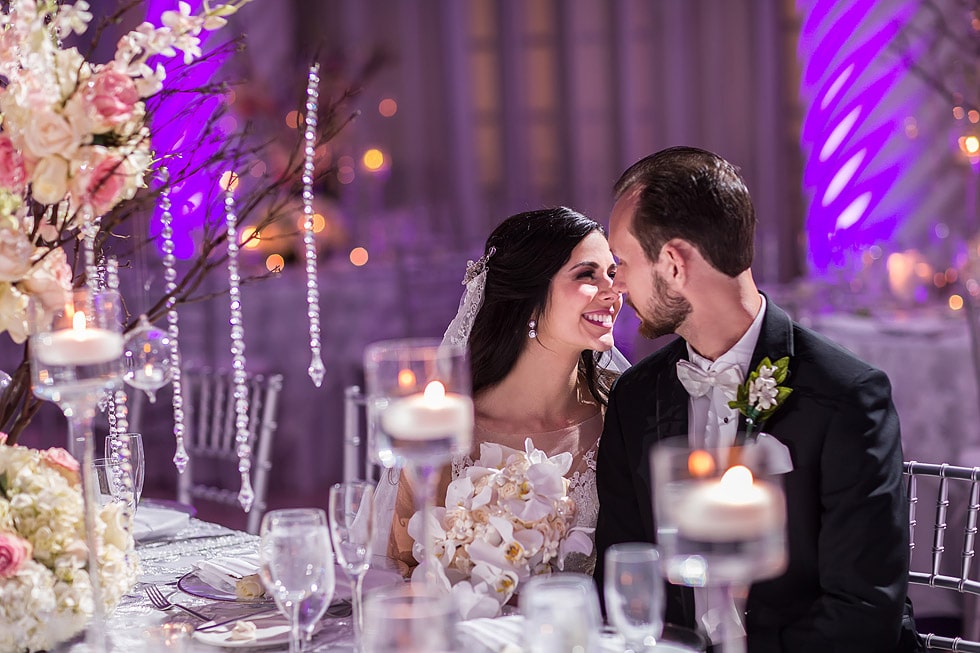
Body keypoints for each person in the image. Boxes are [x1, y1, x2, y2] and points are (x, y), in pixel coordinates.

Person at [594, 146, 921, 651]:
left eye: (621, 262)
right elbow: (623, 575)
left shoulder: (844, 397)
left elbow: (864, 609)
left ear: (674, 263)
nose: (615, 284)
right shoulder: (635, 399)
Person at [378, 206, 624, 574]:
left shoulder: (623, 410)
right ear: (528, 296)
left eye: (613, 274)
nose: (613, 292)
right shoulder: (444, 426)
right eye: (587, 275)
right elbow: (398, 569)